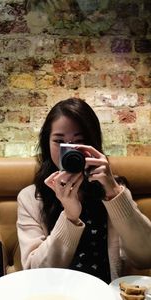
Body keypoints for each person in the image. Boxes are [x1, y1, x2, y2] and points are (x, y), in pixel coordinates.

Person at [17, 97, 151, 283]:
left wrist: (113, 192)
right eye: (59, 141)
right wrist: (70, 216)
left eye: (79, 142)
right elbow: (34, 273)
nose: (70, 150)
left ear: (92, 145)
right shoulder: (31, 197)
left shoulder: (113, 189)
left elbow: (146, 256)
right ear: (47, 144)